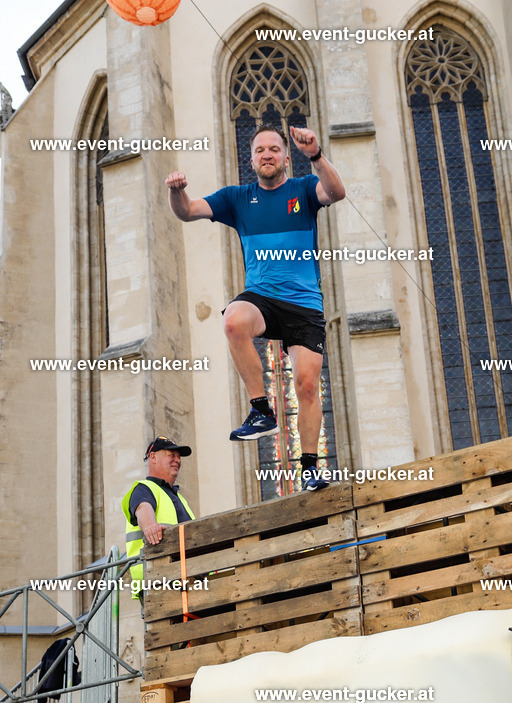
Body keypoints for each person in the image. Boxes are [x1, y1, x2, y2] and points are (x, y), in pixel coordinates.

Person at [165, 124, 346, 491]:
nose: (267, 155)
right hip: (261, 297)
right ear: (251, 159)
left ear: (285, 157)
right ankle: (262, 410)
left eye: (275, 149)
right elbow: (187, 212)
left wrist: (315, 154)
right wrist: (176, 191)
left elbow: (336, 192)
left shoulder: (303, 190)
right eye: (261, 150)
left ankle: (309, 467)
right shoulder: (237, 198)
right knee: (233, 320)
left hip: (303, 304)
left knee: (307, 385)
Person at [121, 436, 195, 601]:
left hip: (185, 580)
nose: (177, 460)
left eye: (179, 457)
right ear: (152, 457)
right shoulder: (144, 488)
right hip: (156, 581)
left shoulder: (180, 499)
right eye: (171, 455)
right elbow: (142, 507)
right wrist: (150, 526)